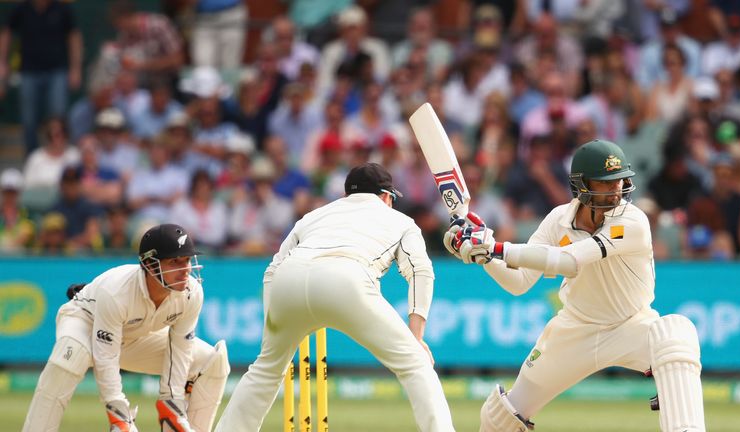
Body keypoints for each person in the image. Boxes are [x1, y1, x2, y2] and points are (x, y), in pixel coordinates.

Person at [444, 140, 705, 432]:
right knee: (499, 418)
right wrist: (485, 256)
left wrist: (496, 247)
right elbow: (518, 282)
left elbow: (570, 261)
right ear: (581, 185)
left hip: (631, 326)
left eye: (619, 181)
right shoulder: (558, 220)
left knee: (676, 333)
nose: (616, 190)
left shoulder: (633, 221)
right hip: (574, 330)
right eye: (605, 183)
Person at [215, 163, 455, 432]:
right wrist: (417, 337)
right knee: (416, 365)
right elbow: (421, 271)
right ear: (387, 196)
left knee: (265, 370)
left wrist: (273, 328)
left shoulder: (314, 216)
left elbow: (272, 270)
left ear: (346, 195)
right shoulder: (401, 221)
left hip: (289, 280)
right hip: (346, 279)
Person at [22, 223, 230, 432]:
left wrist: (172, 401)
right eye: (175, 261)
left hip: (134, 335)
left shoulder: (191, 293)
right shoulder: (117, 292)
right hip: (85, 322)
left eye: (186, 260)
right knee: (70, 357)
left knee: (211, 362)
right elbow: (106, 356)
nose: (185, 270)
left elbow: (180, 350)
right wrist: (118, 414)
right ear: (150, 265)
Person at [0, 0, 83, 155]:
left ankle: (59, 155)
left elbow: (74, 37)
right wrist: (2, 62)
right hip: (28, 71)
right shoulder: (21, 8)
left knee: (58, 117)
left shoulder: (62, 8)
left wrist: (75, 68)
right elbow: (6, 33)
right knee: (28, 119)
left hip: (57, 71)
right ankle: (31, 158)